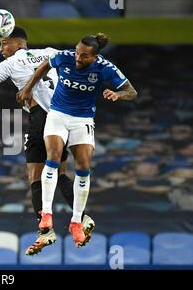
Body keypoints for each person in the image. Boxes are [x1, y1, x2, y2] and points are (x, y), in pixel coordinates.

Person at [0, 27, 95, 255]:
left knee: (35, 176)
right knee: (60, 174)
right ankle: (82, 218)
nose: (1, 49)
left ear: (18, 43)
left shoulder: (11, 63)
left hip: (41, 117)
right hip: (64, 116)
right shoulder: (51, 52)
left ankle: (46, 232)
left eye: (4, 44)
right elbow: (82, 60)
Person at [17, 33, 137, 247]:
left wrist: (119, 95)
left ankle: (76, 222)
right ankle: (46, 214)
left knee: (83, 168)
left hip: (82, 119)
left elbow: (132, 91)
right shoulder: (64, 57)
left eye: (83, 56)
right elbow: (45, 65)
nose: (77, 59)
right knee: (52, 159)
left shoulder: (105, 68)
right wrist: (27, 87)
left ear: (94, 57)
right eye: (76, 52)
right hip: (58, 115)